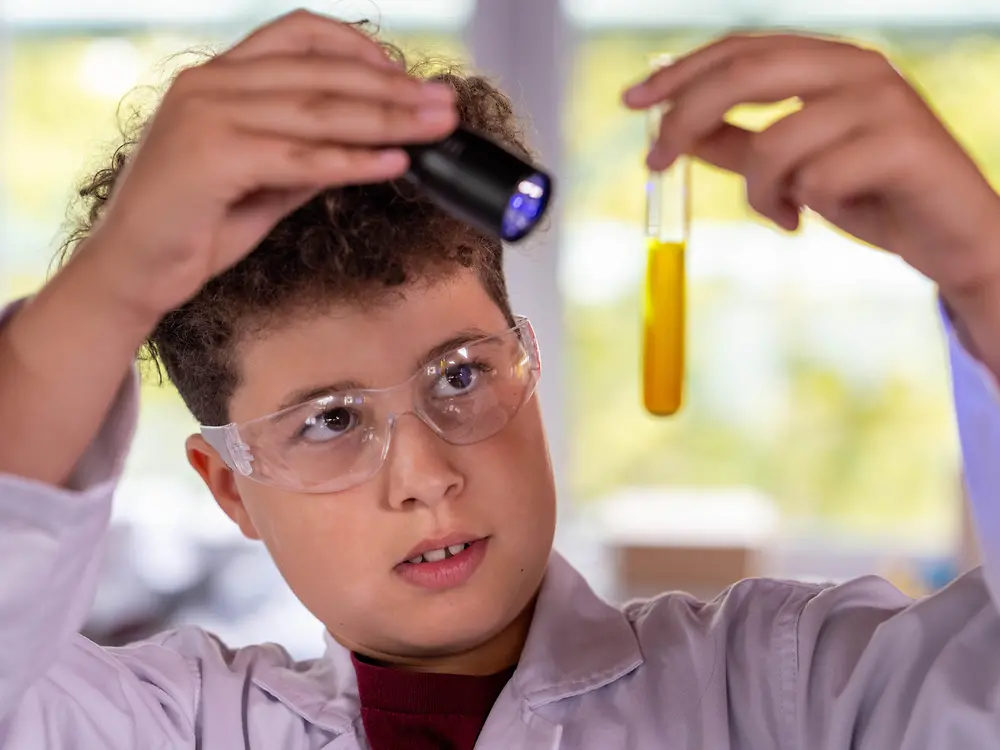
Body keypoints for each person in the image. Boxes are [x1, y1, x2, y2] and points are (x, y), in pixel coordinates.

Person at [1, 10, 1000, 749]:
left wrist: (989, 277)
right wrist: (111, 284)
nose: (425, 474)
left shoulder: (788, 692)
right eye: (331, 419)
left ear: (527, 357)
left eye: (461, 372)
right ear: (230, 489)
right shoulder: (161, 727)